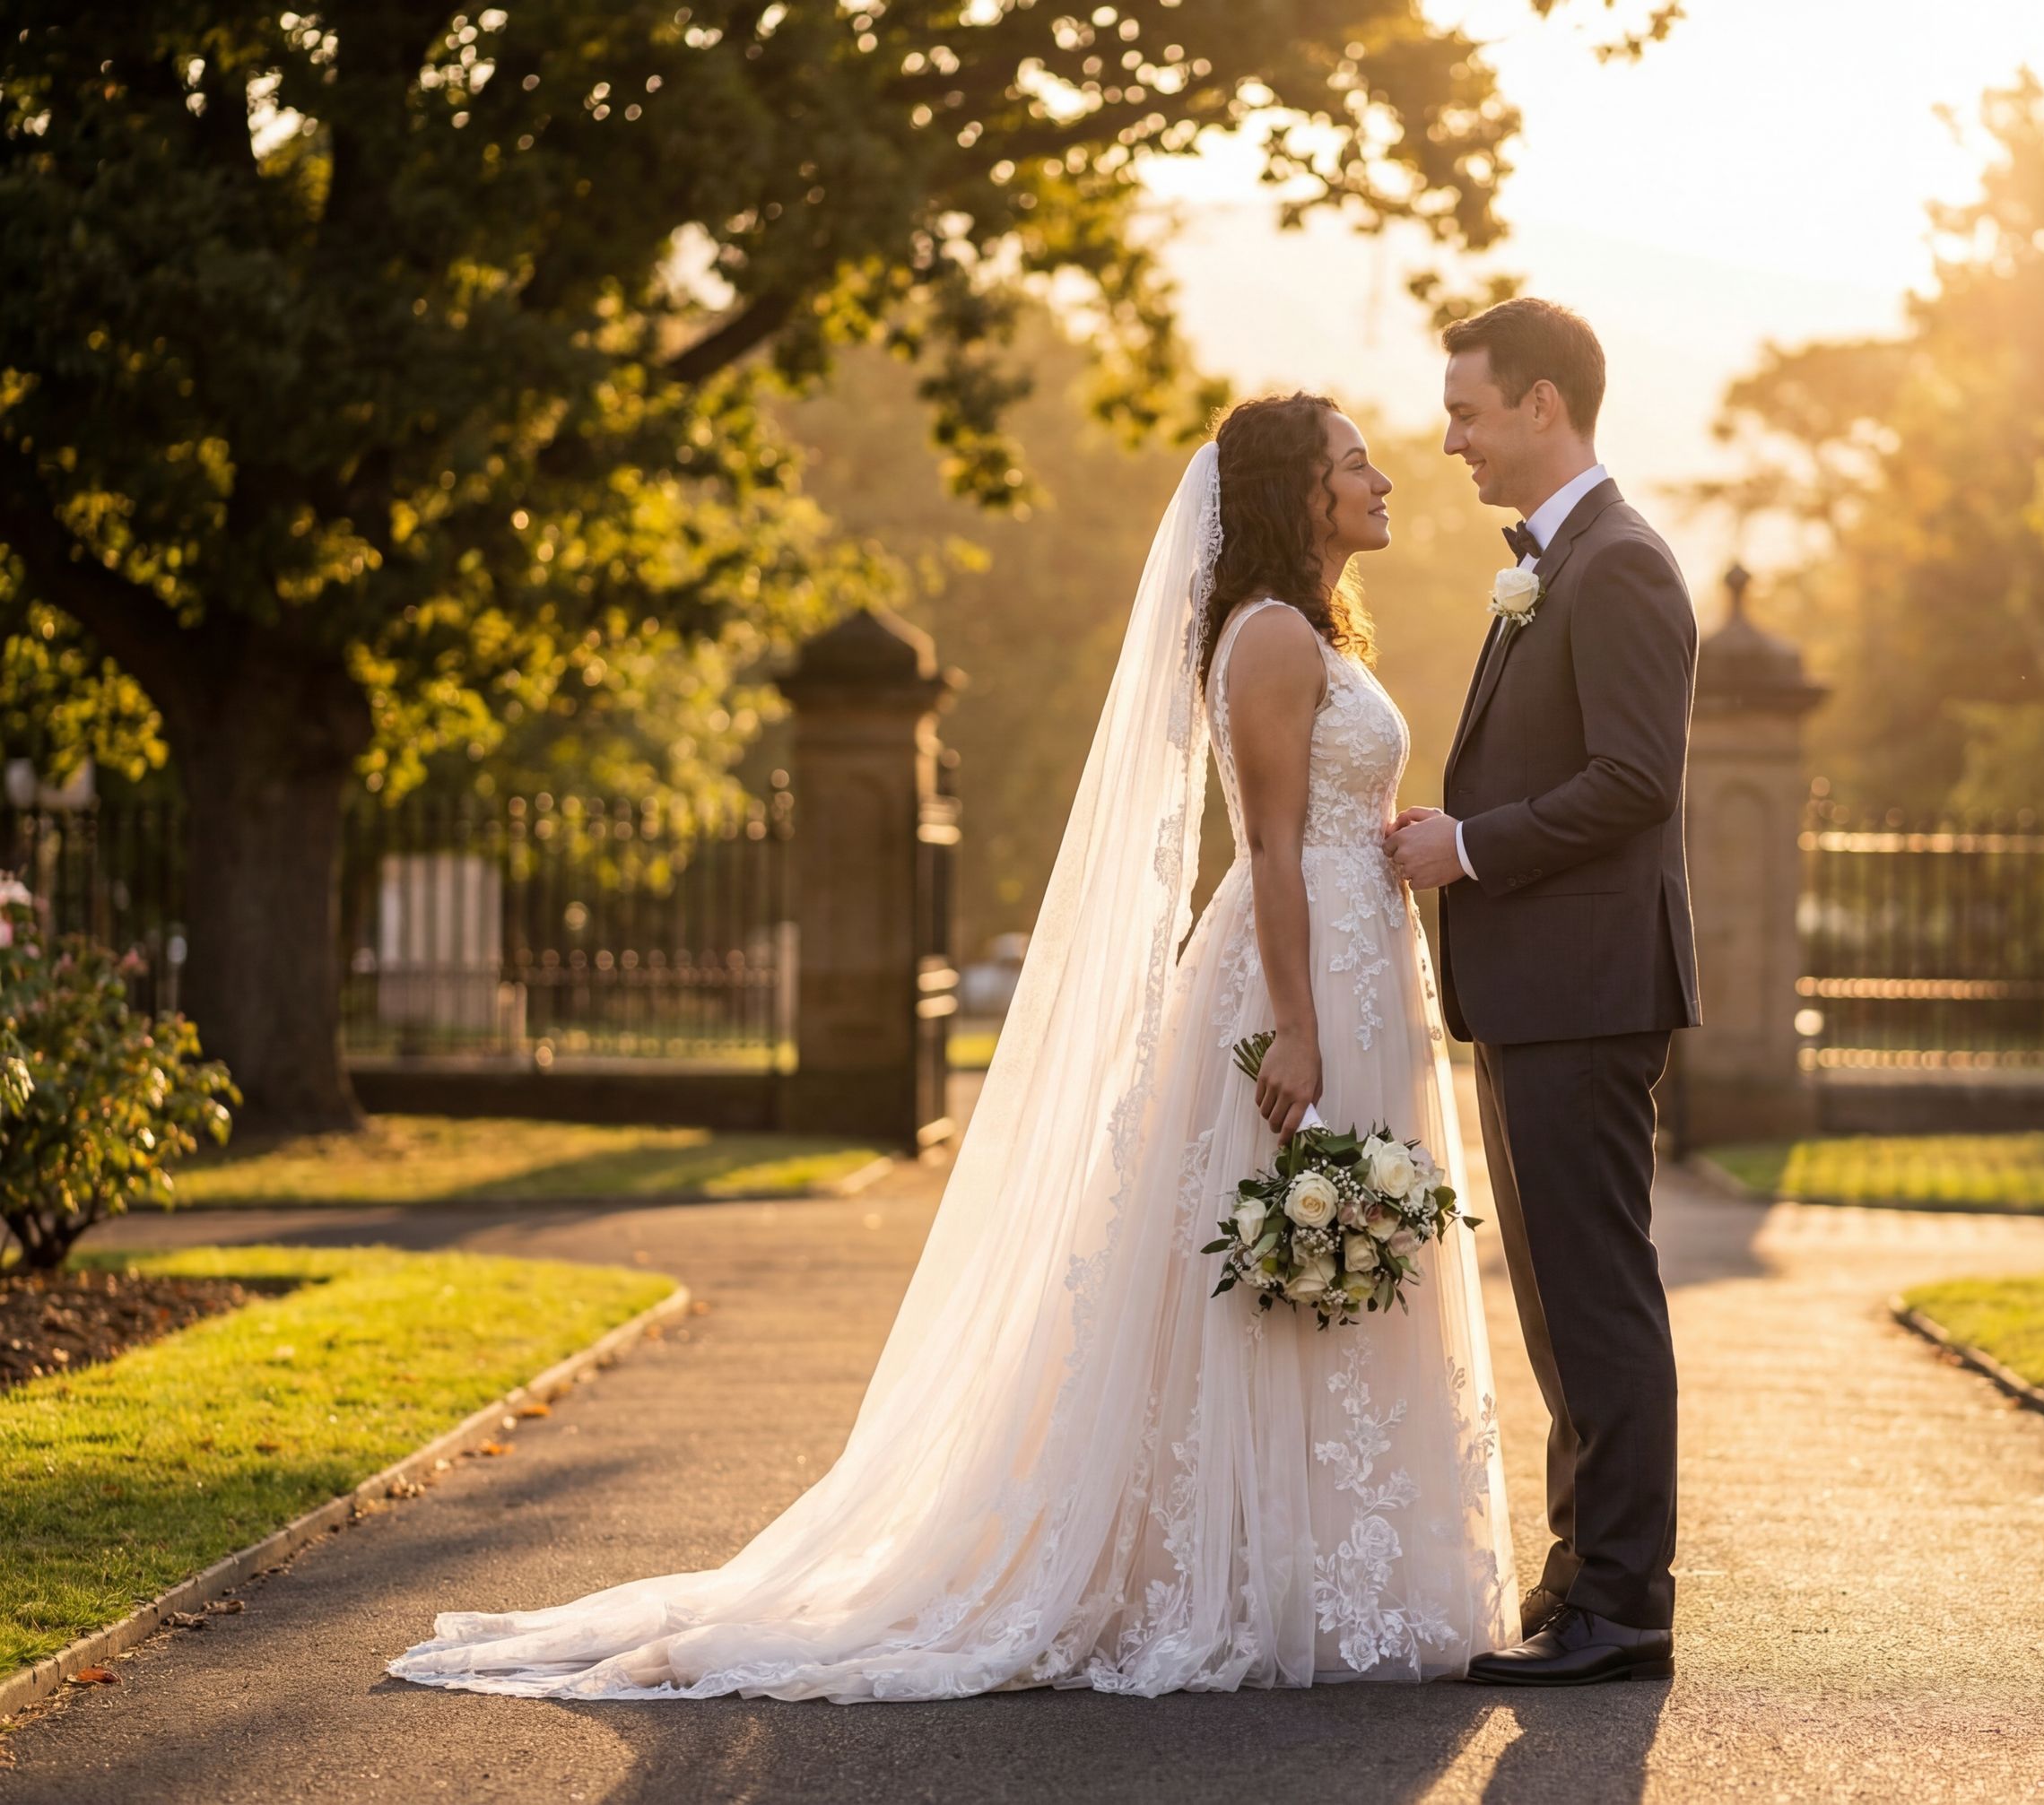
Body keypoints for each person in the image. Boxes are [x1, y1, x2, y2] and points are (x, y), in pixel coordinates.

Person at [390, 395, 1516, 1701]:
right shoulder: (1268, 637)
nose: (1383, 476)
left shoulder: (1321, 631)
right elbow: (1265, 846)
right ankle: (1251, 1576)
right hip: (1303, 977)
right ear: (1294, 493)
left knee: (1337, 1256)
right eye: (1351, 463)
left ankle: (1340, 1568)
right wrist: (1303, 1028)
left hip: (1365, 957)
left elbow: (1319, 817)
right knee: (1271, 1260)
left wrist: (1388, 839)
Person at [1388, 297, 1699, 1688]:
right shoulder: (1551, 566)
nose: (1449, 439)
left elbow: (1636, 781)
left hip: (1583, 988)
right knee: (1565, 1307)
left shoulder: (1619, 565)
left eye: (1466, 410)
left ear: (1541, 406)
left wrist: (1467, 848)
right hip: (1537, 991)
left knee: (1599, 1300)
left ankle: (1624, 1605)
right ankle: (1583, 1580)